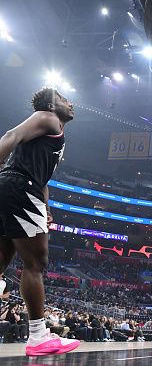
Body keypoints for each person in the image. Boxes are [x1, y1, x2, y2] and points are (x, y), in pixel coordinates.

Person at [0, 88, 80, 356]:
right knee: (36, 262)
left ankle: (39, 334)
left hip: (18, 188)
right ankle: (37, 336)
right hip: (21, 187)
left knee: (2, 260)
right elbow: (11, 135)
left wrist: (45, 207)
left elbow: (43, 178)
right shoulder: (47, 117)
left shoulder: (55, 132)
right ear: (51, 104)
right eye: (63, 99)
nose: (70, 103)